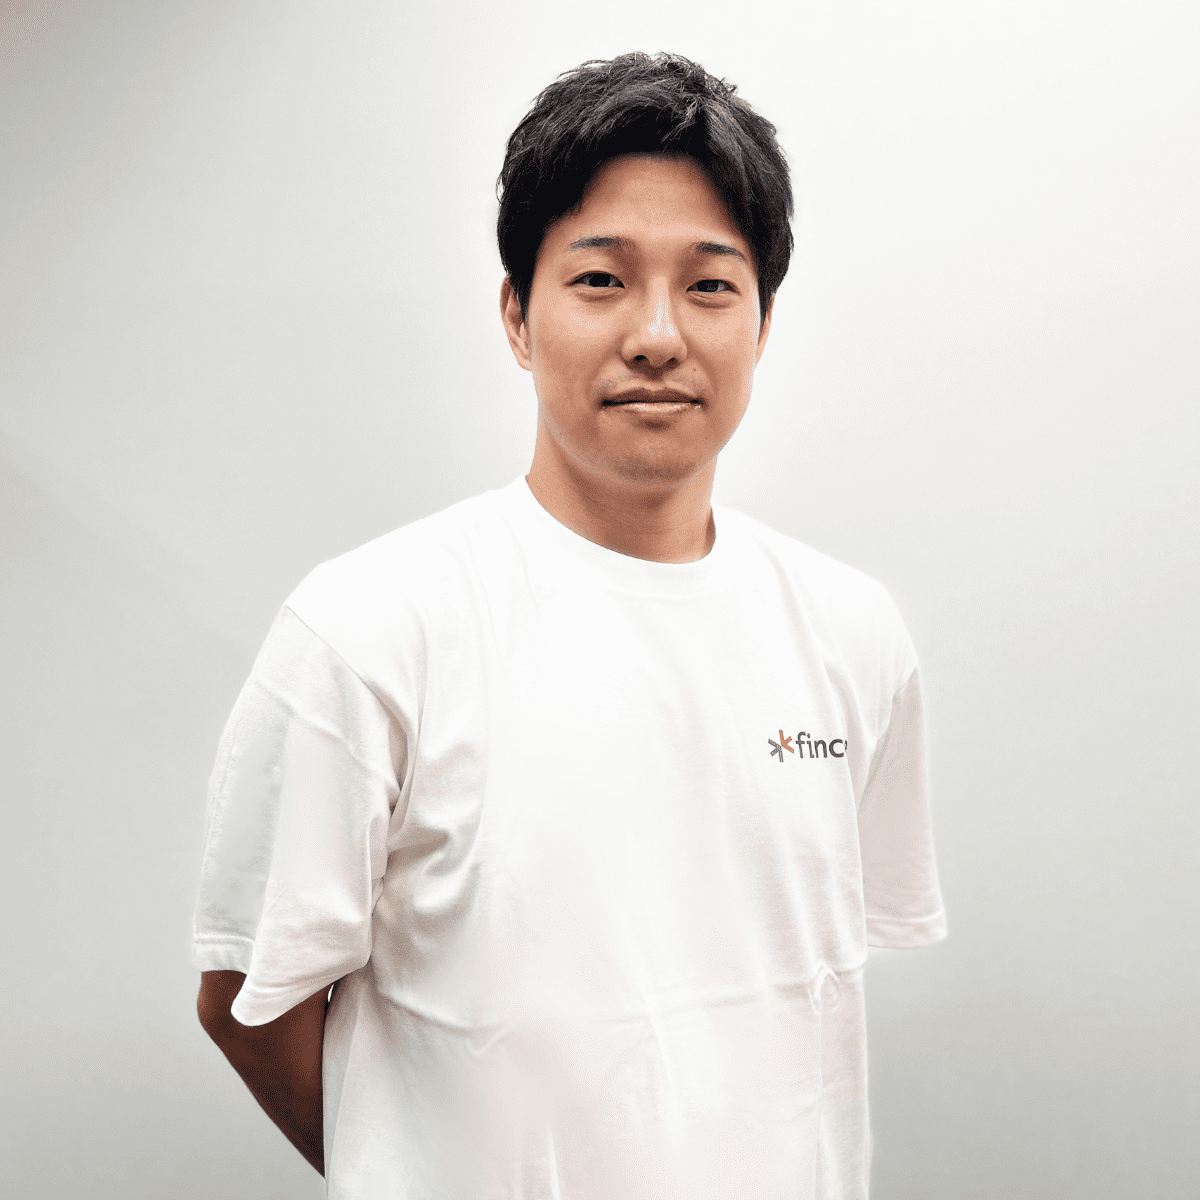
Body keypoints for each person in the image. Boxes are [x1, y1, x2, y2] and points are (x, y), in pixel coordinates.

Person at [193, 51, 946, 1200]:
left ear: (763, 322)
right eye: (600, 279)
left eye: (710, 285)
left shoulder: (853, 633)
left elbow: (789, 998)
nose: (658, 335)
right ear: (517, 314)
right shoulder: (370, 631)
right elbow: (251, 1001)